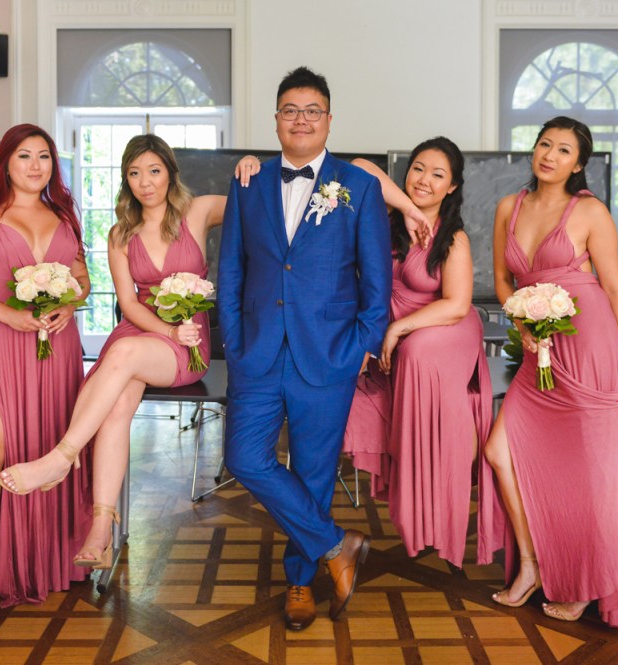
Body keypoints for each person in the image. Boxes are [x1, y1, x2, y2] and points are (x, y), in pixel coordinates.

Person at [0, 134, 232, 573]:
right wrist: (165, 328)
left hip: (186, 343)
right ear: (126, 180)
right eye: (134, 173)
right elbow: (128, 303)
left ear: (170, 173)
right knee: (117, 405)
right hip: (142, 331)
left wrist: (252, 164)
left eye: (154, 171)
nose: (146, 182)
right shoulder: (121, 234)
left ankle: (59, 459)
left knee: (122, 355)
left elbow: (255, 202)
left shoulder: (198, 211)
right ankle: (101, 530)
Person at [218, 66, 392, 632]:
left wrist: (365, 341)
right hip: (258, 350)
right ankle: (336, 545)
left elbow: (377, 276)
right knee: (245, 457)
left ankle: (299, 582)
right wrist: (233, 339)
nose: (301, 119)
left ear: (328, 120)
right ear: (276, 119)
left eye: (312, 111)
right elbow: (231, 268)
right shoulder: (248, 182)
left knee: (314, 470)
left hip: (329, 350)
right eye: (290, 110)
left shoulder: (358, 185)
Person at [483, 116, 618, 627]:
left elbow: (614, 289)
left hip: (590, 346)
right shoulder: (508, 208)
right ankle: (530, 565)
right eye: (544, 144)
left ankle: (588, 583)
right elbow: (503, 282)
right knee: (499, 451)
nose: (550, 155)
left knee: (591, 472)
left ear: (578, 164)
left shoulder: (591, 211)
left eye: (564, 150)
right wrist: (522, 322)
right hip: (538, 347)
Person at [0, 124, 92, 633]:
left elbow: (82, 279)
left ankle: (43, 561)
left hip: (56, 345)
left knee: (47, 447)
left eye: (44, 156)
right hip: (1, 342)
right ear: (5, 162)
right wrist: (9, 316)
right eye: (24, 156)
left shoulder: (65, 216)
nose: (35, 165)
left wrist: (71, 305)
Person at [342, 137, 494, 568]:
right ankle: (415, 502)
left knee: (416, 353)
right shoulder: (386, 217)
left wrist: (397, 329)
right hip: (398, 330)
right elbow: (358, 164)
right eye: (418, 169)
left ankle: (442, 495)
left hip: (443, 325)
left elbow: (457, 304)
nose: (424, 180)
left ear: (452, 187)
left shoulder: (453, 237)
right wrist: (408, 209)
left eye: (438, 174)